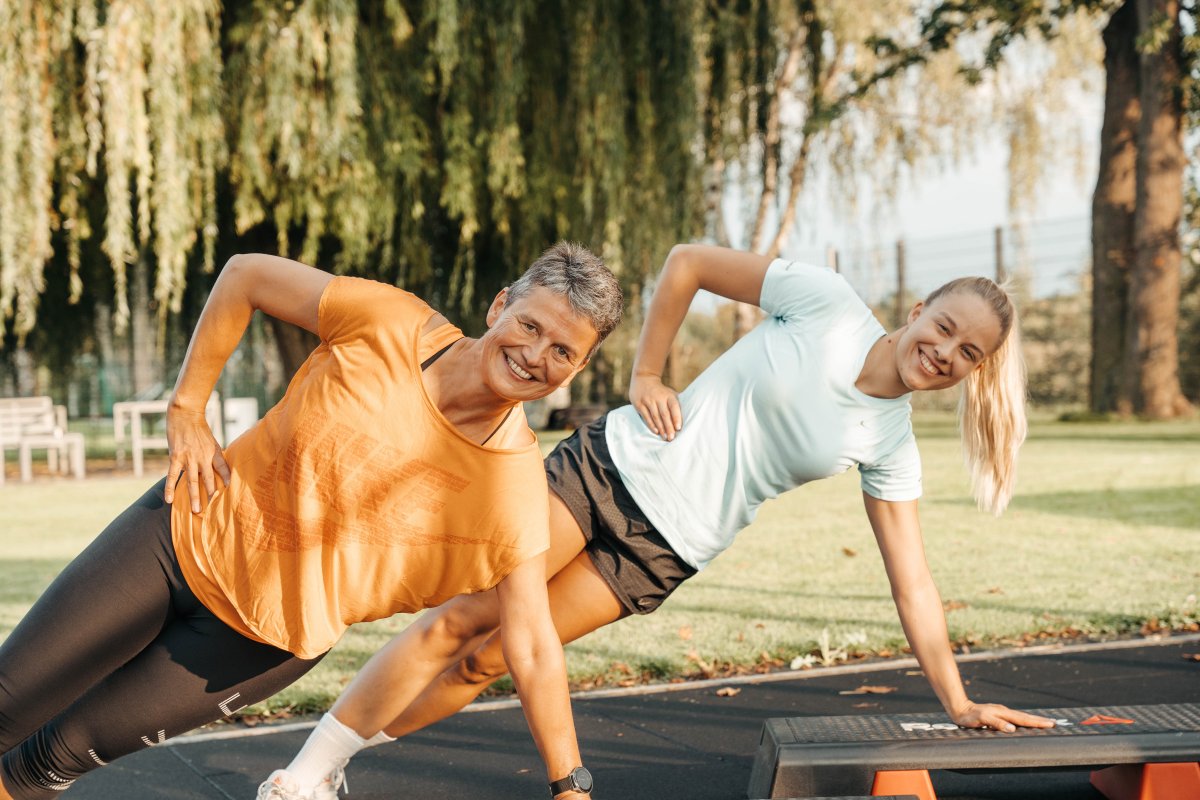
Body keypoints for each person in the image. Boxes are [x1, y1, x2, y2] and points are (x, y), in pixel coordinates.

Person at [263, 243, 1057, 799]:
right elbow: (690, 264)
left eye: (969, 354)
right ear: (919, 310)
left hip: (665, 551)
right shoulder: (829, 303)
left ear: (977, 371)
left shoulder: (891, 445)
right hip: (610, 470)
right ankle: (300, 779)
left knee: (490, 660)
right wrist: (648, 370)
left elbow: (911, 581)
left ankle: (340, 765)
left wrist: (957, 702)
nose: (945, 352)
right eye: (944, 328)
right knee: (464, 617)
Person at [0, 243, 623, 800]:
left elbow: (535, 645)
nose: (535, 355)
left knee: (45, 767)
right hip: (180, 535)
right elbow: (246, 275)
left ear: (578, 368)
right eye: (530, 325)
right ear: (498, 307)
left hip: (261, 644)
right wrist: (187, 407)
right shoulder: (390, 320)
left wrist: (570, 786)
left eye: (562, 350)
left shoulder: (511, 488)